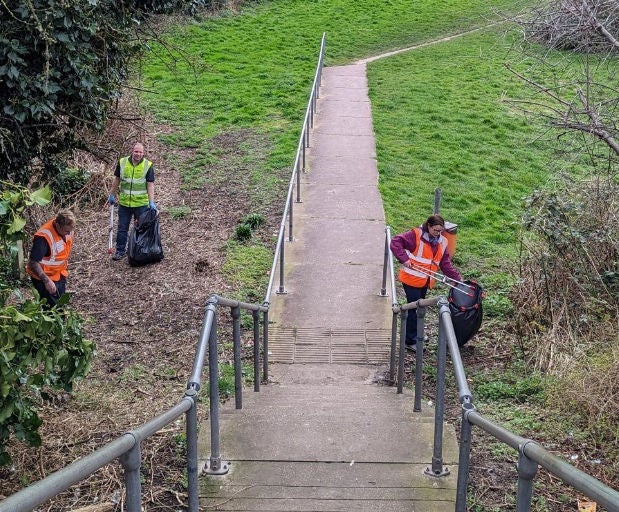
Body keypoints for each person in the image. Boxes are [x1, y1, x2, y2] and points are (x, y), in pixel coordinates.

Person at [390, 214, 462, 351]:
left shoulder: (442, 241)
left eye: (441, 231)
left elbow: (445, 263)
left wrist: (457, 280)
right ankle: (410, 340)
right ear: (428, 226)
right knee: (413, 309)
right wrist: (404, 259)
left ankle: (416, 335)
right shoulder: (415, 235)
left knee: (419, 308)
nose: (438, 233)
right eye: (435, 230)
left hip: (425, 281)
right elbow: (395, 242)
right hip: (411, 279)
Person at [108, 142, 156, 260]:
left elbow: (150, 184)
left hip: (141, 204)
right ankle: (120, 251)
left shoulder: (147, 165)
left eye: (140, 152)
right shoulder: (122, 162)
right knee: (122, 228)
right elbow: (117, 179)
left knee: (140, 228)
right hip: (125, 204)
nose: (138, 154)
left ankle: (139, 251)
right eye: (136, 151)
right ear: (132, 151)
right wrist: (112, 194)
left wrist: (151, 202)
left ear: (143, 153)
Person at [26, 210, 76, 308]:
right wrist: (46, 281)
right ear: (57, 225)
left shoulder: (68, 229)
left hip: (59, 273)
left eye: (71, 230)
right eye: (66, 231)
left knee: (60, 305)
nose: (69, 233)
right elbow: (33, 262)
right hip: (43, 277)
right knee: (51, 310)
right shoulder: (43, 237)